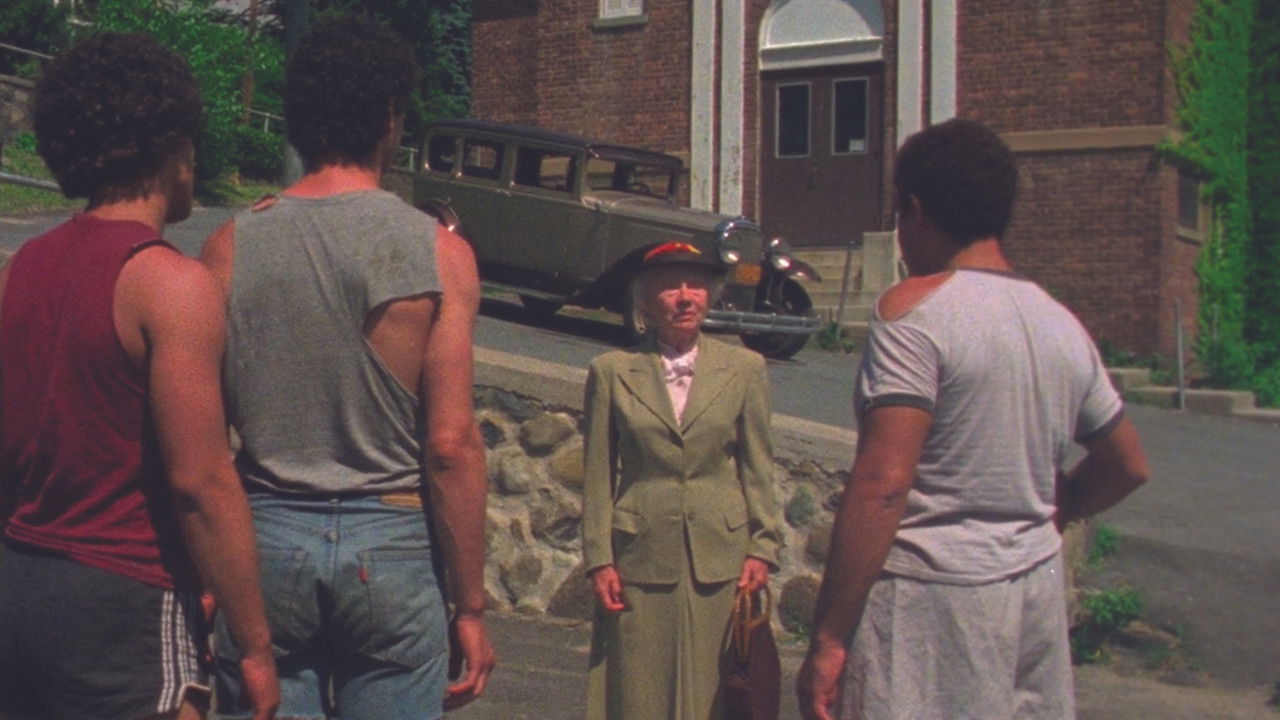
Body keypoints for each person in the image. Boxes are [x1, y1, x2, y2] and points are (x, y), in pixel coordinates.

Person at [796, 118, 1151, 720]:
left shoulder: (916, 313)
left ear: (915, 211)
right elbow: (1128, 465)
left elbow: (884, 484)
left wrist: (830, 638)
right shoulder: (1059, 322)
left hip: (931, 601)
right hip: (1032, 593)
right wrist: (1055, 505)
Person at [198, 15, 494, 720]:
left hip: (266, 535)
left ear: (297, 121)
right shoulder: (439, 254)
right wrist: (471, 604)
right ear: (391, 119)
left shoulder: (229, 248)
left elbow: (205, 444)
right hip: (390, 539)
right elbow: (450, 446)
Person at [0, 33, 279, 720]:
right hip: (126, 595)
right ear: (168, 145)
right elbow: (201, 484)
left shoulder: (22, 266)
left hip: (21, 578)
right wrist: (255, 646)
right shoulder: (169, 284)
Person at [581, 242, 783, 720]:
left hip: (721, 555)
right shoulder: (611, 372)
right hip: (639, 554)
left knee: (717, 688)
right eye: (670, 287)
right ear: (647, 301)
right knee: (638, 686)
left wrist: (763, 545)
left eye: (695, 286)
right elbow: (596, 473)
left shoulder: (745, 368)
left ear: (710, 297)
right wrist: (598, 559)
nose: (685, 297)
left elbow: (758, 464)